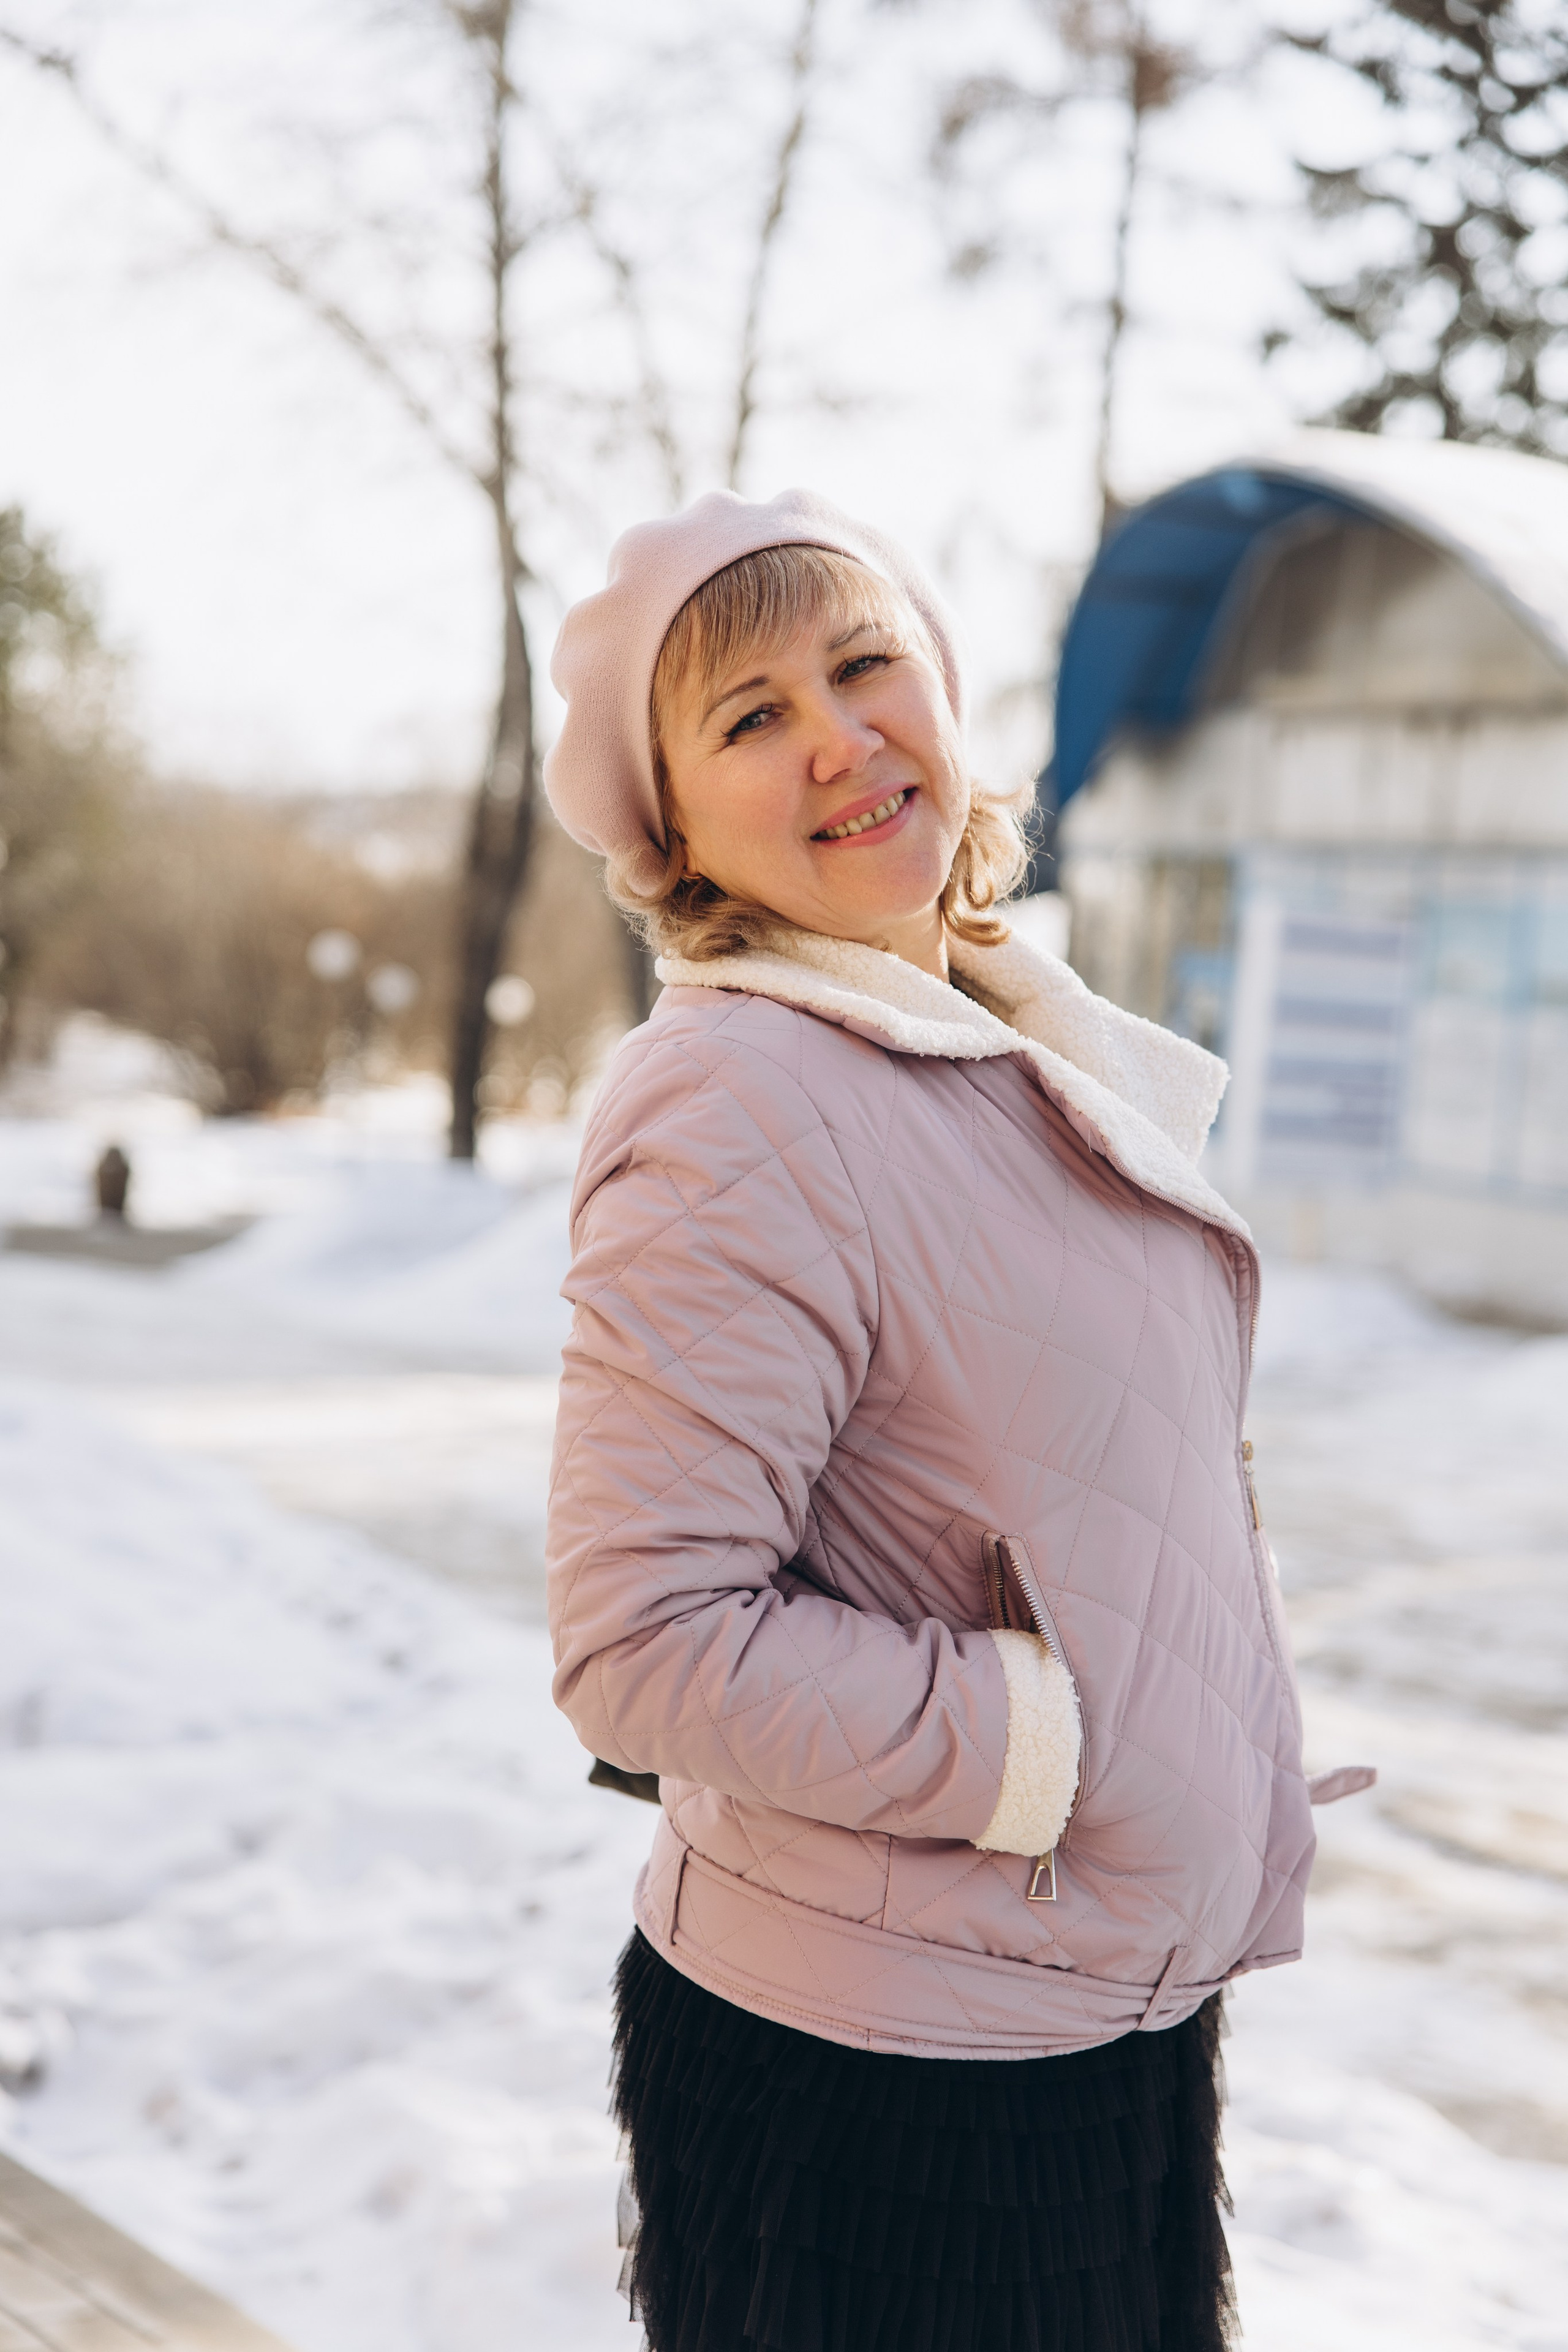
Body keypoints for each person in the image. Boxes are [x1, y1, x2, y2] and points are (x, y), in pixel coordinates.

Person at [543, 489, 1319, 2352]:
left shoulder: (1003, 1043)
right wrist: (1050, 1742)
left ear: (945, 687)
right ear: (673, 823)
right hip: (887, 2076)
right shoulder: (737, 1094)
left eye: (863, 661)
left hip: (1084, 2006)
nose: (835, 735)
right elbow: (642, 1647)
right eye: (746, 717)